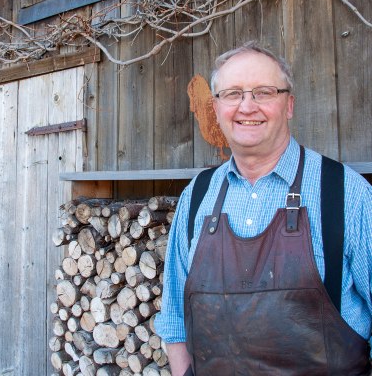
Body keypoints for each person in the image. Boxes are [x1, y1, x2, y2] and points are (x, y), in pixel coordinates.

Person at [154, 42, 372, 375]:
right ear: (215, 107)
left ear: (289, 105)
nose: (247, 106)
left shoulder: (347, 194)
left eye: (264, 92)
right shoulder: (196, 197)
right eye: (232, 94)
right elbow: (174, 319)